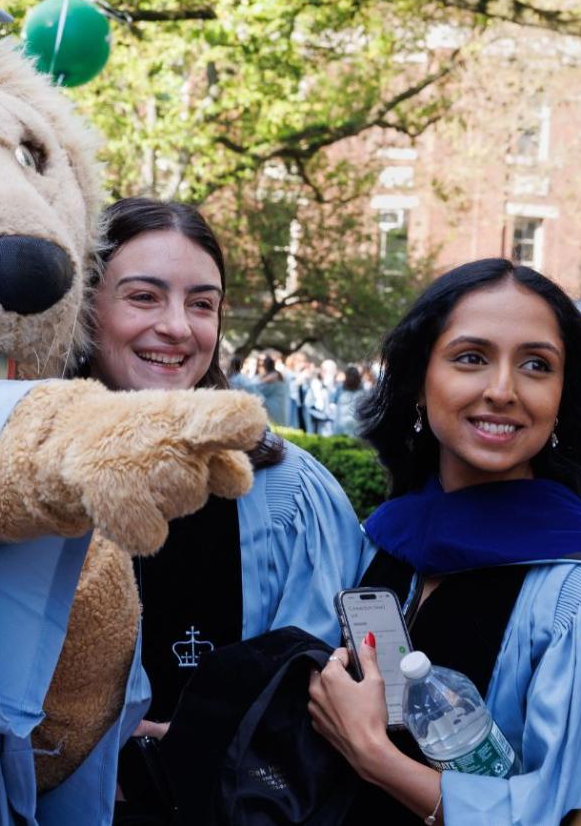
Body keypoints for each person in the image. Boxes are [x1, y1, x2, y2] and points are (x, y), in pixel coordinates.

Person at [307, 258, 581, 824]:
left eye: (537, 365)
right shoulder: (383, 543)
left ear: (561, 396)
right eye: (471, 358)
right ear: (417, 382)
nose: (503, 390)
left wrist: (377, 758)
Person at [75, 198, 365, 809]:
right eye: (144, 297)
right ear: (84, 308)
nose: (178, 327)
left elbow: (318, 675)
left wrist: (207, 737)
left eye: (201, 304)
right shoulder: (23, 478)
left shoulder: (288, 489)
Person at [333, 365, 366, 436]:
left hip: (344, 423)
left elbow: (335, 403)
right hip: (354, 424)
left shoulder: (340, 388)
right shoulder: (362, 391)